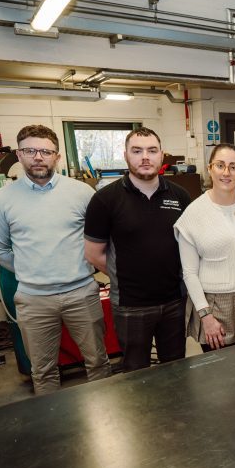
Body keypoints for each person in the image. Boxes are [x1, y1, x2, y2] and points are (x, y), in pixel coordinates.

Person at [0, 124, 110, 395]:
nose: (38, 157)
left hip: (81, 293)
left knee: (98, 362)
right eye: (30, 150)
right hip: (34, 298)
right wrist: (32, 270)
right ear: (19, 155)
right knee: (42, 371)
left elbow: (99, 238)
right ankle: (54, 426)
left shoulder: (82, 193)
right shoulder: (2, 199)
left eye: (45, 151)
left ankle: (106, 422)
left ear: (57, 156)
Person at [84, 127, 191, 372]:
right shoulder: (105, 200)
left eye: (152, 150)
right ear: (125, 155)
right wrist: (127, 274)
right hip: (130, 305)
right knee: (135, 372)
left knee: (176, 368)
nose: (145, 157)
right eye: (137, 151)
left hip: (174, 301)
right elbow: (93, 254)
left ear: (162, 156)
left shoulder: (181, 196)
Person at [174, 144, 235, 351]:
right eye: (220, 165)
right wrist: (205, 316)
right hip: (216, 308)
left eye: (233, 167)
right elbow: (190, 273)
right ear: (210, 169)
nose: (226, 172)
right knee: (223, 377)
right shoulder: (193, 215)